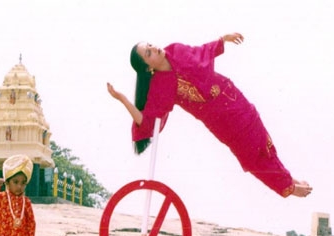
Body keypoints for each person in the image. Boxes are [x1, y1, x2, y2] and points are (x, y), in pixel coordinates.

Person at [107, 32, 312, 198]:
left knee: (261, 140)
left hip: (231, 98)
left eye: (150, 45)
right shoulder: (160, 86)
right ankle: (288, 185)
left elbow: (201, 51)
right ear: (147, 67)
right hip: (220, 122)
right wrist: (123, 99)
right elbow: (147, 121)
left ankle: (288, 180)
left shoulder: (176, 49)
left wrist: (223, 40)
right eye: (148, 53)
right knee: (249, 156)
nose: (154, 48)